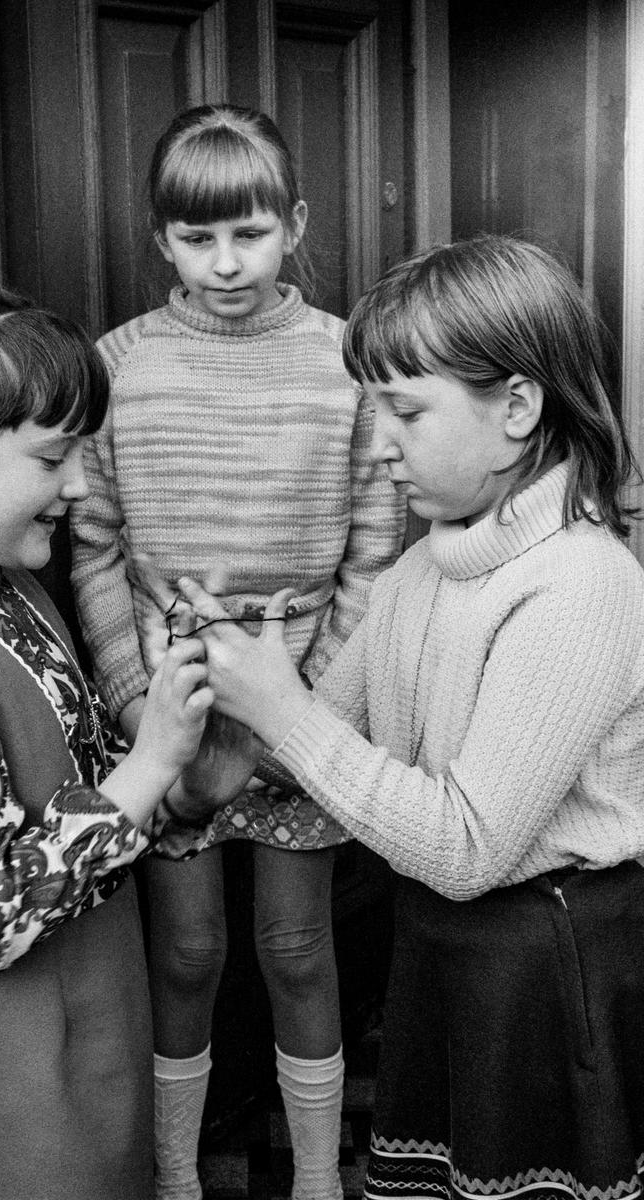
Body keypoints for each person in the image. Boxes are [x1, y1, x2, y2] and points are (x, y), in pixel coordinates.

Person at [170, 235, 644, 1200]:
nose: (379, 444)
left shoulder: (582, 585)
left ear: (517, 407)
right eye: (372, 409)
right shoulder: (425, 567)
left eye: (407, 411)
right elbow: (330, 748)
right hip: (448, 952)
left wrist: (287, 713)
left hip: (553, 977)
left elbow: (467, 843)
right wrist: (234, 726)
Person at [0, 278, 252, 1200]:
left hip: (78, 1074)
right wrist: (147, 768)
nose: (79, 484)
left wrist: (184, 781)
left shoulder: (14, 592)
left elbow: (74, 793)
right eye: (52, 456)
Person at [69, 103, 405, 1200]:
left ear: (294, 224)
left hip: (300, 702)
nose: (225, 263)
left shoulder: (342, 362)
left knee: (297, 950)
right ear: (159, 239)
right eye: (197, 238)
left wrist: (301, 712)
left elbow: (371, 550)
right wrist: (136, 710)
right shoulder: (116, 368)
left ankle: (315, 1181)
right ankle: (174, 1176)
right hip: (170, 703)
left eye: (249, 234)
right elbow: (95, 551)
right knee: (186, 953)